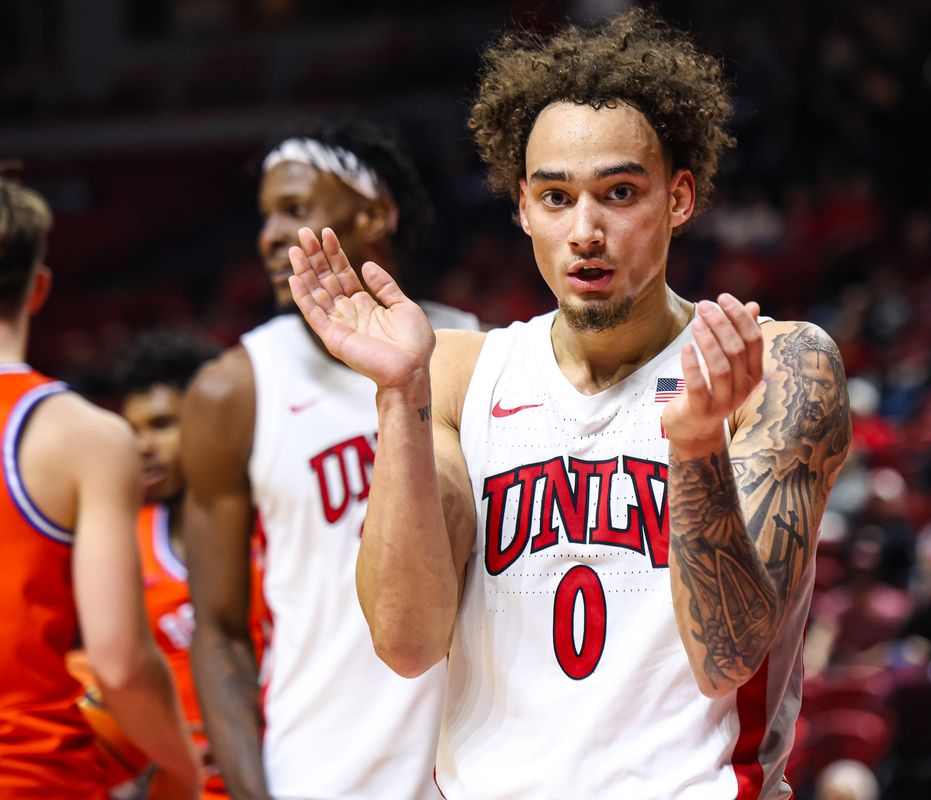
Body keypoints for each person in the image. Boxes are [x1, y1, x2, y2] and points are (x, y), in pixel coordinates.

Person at [288, 10, 850, 798]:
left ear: (679, 198)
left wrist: (693, 444)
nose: (585, 230)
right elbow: (407, 642)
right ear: (521, 208)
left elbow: (727, 655)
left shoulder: (778, 366)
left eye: (618, 193)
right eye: (556, 198)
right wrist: (398, 397)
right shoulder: (454, 374)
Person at [183, 118, 477, 800]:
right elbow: (220, 628)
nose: (267, 236)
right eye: (265, 217)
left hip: (472, 769)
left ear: (375, 213)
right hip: (317, 772)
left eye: (294, 210)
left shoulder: (476, 350)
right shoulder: (236, 388)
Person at [0, 178, 201, 798]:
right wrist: (180, 766)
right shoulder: (81, 435)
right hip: (33, 773)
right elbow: (119, 662)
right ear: (38, 290)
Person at [116, 330, 257, 798]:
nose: (142, 446)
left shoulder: (270, 526)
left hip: (289, 761)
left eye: (161, 425)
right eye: (132, 430)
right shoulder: (121, 539)